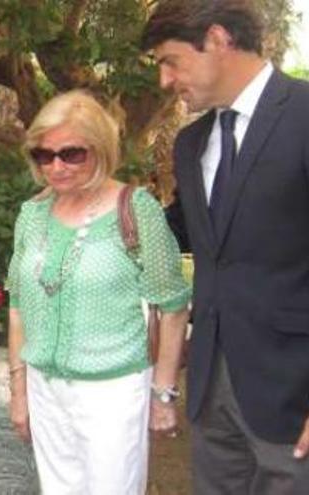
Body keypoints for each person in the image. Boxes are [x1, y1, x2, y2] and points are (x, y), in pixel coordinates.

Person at [142, 1, 309, 492]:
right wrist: (96, 204)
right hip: (213, 394)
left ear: (217, 39)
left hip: (294, 399)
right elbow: (182, 231)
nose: (165, 80)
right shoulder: (190, 144)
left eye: (170, 61)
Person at [5, 91, 191, 494]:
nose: (56, 166)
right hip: (44, 388)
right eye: (44, 155)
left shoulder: (136, 209)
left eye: (72, 153)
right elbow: (18, 306)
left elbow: (173, 306)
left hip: (113, 392)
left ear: (101, 149)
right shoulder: (32, 215)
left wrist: (162, 394)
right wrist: (19, 391)